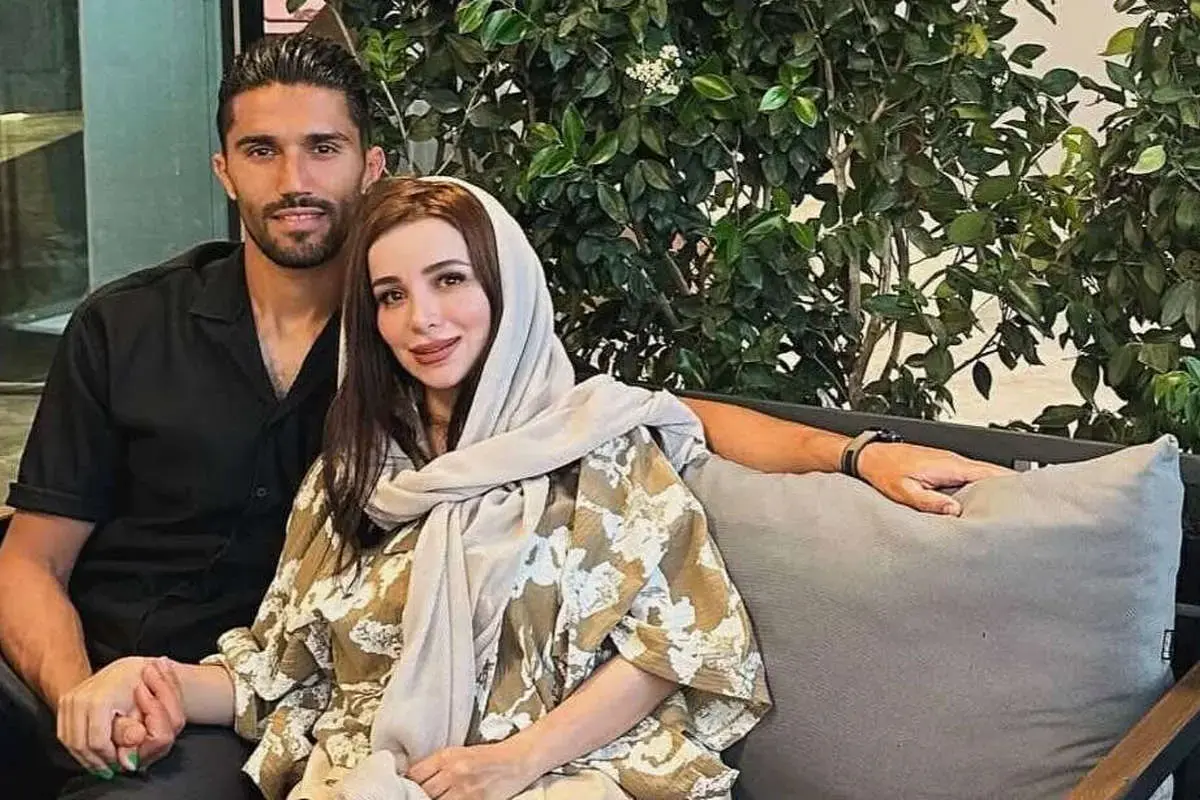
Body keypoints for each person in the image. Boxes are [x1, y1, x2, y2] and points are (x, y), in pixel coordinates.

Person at [0, 33, 1004, 799]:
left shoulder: (541, 416)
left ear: (370, 166)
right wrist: (104, 686)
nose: (294, 179)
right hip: (152, 688)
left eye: (322, 148)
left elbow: (659, 444)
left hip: (408, 752)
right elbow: (253, 645)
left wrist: (857, 452)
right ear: (224, 169)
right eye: (261, 150)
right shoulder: (321, 434)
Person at [77, 175, 774, 800]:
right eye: (392, 296)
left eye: (450, 280)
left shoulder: (600, 447)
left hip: (565, 773)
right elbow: (279, 673)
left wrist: (517, 761)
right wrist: (147, 679)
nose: (422, 319)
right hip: (373, 778)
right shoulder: (351, 476)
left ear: (505, 286)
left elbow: (674, 645)